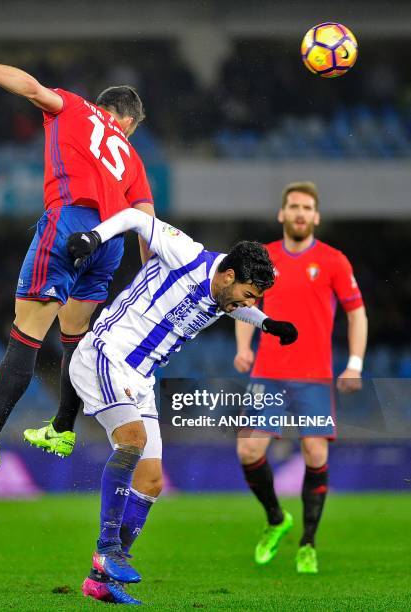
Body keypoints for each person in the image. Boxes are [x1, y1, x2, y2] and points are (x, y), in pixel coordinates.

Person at [62, 208, 298, 604]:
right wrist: (94, 237)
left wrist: (267, 323)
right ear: (227, 276)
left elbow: (239, 305)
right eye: (248, 294)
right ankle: (107, 549)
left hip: (141, 378)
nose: (248, 303)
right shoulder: (187, 254)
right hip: (106, 354)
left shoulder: (225, 296)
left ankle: (99, 581)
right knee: (132, 441)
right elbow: (135, 218)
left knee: (152, 481)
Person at [0, 35, 155, 470]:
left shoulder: (80, 107)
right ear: (130, 120)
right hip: (110, 242)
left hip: (69, 224)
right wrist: (149, 279)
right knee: (74, 337)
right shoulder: (133, 158)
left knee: (27, 332)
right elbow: (146, 222)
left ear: (106, 109)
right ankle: (63, 430)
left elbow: (30, 87)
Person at [233, 181, 367, 574]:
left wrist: (355, 363)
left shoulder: (333, 261)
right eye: (293, 206)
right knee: (248, 451)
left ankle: (308, 543)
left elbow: (356, 312)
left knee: (315, 453)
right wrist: (244, 347)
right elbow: (244, 304)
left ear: (316, 216)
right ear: (282, 214)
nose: (299, 213)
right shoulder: (265, 258)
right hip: (268, 373)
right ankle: (276, 520)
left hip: (313, 376)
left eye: (307, 207)